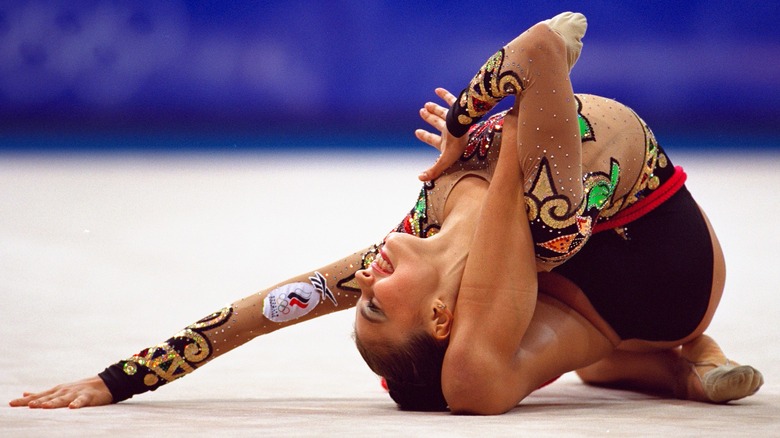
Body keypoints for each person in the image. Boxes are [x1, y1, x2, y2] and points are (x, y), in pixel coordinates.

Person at [9, 13, 762, 414]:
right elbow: (540, 50)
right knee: (479, 374)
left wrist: (117, 380)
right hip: (670, 280)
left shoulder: (412, 237)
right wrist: (475, 128)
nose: (364, 280)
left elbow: (258, 314)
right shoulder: (546, 212)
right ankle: (688, 349)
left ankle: (675, 367)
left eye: (356, 298)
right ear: (440, 316)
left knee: (537, 370)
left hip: (576, 271)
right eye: (376, 304)